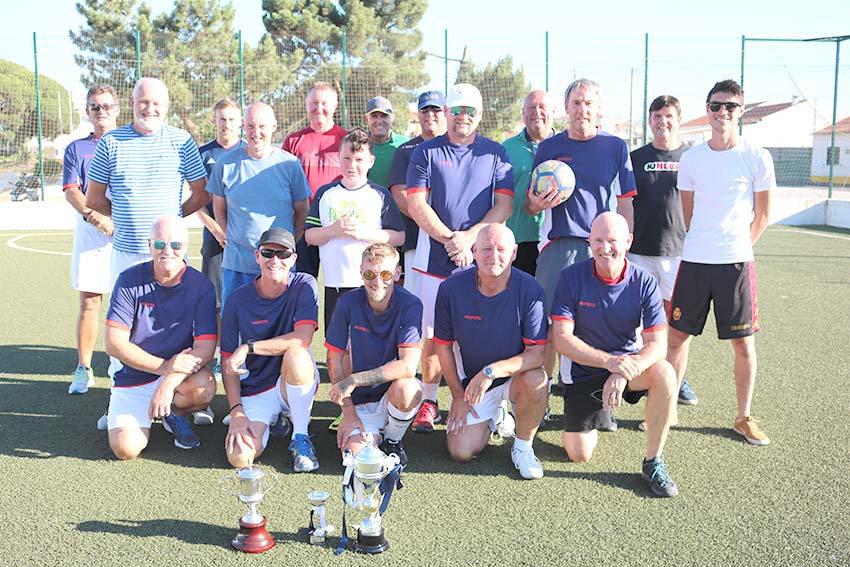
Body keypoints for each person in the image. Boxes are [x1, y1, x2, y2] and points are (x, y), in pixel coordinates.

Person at [523, 78, 636, 428]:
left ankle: (599, 406)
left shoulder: (615, 147)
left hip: (601, 249)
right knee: (548, 328)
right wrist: (535, 202)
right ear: (566, 107)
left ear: (598, 108)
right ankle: (538, 404)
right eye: (575, 103)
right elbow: (529, 205)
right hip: (559, 247)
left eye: (588, 103)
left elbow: (625, 201)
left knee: (597, 329)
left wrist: (624, 242)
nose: (582, 109)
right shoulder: (550, 148)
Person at [667, 79, 775, 446]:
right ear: (708, 109)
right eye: (715, 106)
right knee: (677, 338)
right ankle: (667, 408)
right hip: (695, 261)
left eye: (730, 106)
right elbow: (687, 215)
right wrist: (706, 243)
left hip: (736, 264)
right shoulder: (692, 159)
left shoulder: (757, 156)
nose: (722, 113)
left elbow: (762, 216)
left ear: (741, 111)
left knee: (744, 344)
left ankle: (743, 417)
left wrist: (735, 248)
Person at [405, 83, 514, 433]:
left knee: (486, 332)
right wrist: (451, 239)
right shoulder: (426, 152)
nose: (462, 116)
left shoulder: (497, 153)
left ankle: (495, 404)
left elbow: (505, 205)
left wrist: (470, 238)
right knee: (435, 336)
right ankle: (429, 399)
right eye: (456, 110)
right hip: (434, 258)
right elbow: (416, 203)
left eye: (470, 111)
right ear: (447, 113)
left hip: (483, 258)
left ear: (480, 115)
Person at [550, 212, 679, 497]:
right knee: (579, 454)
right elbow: (561, 339)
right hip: (584, 369)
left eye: (612, 241)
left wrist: (620, 371)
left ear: (628, 242)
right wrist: (609, 363)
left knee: (665, 373)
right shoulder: (571, 277)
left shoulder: (644, 282)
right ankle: (599, 413)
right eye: (598, 240)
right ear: (589, 241)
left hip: (627, 368)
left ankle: (653, 461)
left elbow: (658, 343)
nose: (604, 248)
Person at [434, 224, 548, 480]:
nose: (493, 256)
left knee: (537, 379)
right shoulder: (450, 289)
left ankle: (523, 447)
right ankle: (493, 416)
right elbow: (442, 346)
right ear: (474, 251)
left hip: (512, 377)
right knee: (460, 452)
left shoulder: (531, 290)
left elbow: (536, 355)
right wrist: (457, 395)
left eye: (501, 249)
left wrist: (491, 372)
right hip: (472, 382)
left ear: (515, 253)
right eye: (486, 249)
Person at [104, 216, 217, 459]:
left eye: (176, 245)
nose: (168, 251)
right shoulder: (128, 281)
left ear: (185, 246)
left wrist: (168, 381)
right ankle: (121, 407)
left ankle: (173, 413)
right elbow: (114, 343)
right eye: (160, 245)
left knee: (204, 387)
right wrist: (164, 367)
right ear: (149, 246)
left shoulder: (201, 285)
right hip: (135, 375)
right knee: (125, 449)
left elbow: (206, 348)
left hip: (179, 378)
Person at [85, 77, 209, 286]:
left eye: (156, 103)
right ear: (132, 103)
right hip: (126, 253)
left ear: (167, 106)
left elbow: (202, 193)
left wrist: (173, 216)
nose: (149, 108)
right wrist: (127, 214)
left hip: (171, 253)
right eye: (143, 101)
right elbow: (93, 200)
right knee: (126, 318)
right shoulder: (110, 142)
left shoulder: (183, 141)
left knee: (174, 317)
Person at [221, 228, 322, 472]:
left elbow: (303, 339)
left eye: (283, 254)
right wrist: (236, 411)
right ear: (257, 256)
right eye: (268, 253)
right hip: (256, 388)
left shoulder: (304, 284)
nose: (275, 260)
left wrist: (249, 347)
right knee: (239, 457)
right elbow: (227, 363)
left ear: (294, 259)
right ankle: (276, 419)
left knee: (297, 353)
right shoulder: (237, 299)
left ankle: (300, 436)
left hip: (292, 381)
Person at [628, 95, 697, 408]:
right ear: (650, 121)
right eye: (656, 116)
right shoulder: (634, 157)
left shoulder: (693, 158)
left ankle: (674, 381)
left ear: (678, 119)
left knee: (676, 325)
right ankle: (639, 379)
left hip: (678, 253)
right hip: (639, 252)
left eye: (668, 116)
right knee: (637, 323)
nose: (662, 121)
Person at [206, 102, 312, 308]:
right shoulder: (225, 164)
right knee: (235, 330)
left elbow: (302, 211)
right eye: (251, 126)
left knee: (279, 331)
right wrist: (234, 239)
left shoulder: (289, 165)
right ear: (243, 126)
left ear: (274, 126)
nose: (256, 133)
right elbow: (219, 210)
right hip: (237, 266)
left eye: (262, 126)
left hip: (279, 266)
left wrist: (285, 247)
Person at [326, 244, 423, 466]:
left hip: (391, 395)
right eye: (370, 274)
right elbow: (335, 359)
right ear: (360, 271)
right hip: (360, 402)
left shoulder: (410, 304)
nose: (377, 281)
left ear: (398, 273)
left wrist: (355, 379)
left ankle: (393, 441)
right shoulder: (347, 302)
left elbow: (408, 367)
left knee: (408, 388)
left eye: (386, 274)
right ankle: (371, 436)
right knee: (358, 461)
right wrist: (348, 412)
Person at [304, 128, 404, 331]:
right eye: (347, 158)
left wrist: (363, 233)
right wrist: (333, 230)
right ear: (338, 158)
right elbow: (310, 236)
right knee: (336, 346)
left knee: (370, 341)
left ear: (371, 162)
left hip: (372, 284)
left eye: (359, 159)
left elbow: (399, 237)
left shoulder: (379, 194)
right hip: (335, 284)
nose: (352, 165)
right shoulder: (326, 193)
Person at [388, 91, 447, 434]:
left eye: (436, 110)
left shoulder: (463, 150)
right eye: (425, 111)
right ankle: (424, 397)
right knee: (423, 327)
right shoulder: (408, 150)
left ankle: (479, 401)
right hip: (419, 248)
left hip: (460, 246)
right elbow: (401, 195)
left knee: (459, 325)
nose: (430, 116)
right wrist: (436, 226)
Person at [64, 83, 119, 395]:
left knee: (133, 303)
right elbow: (73, 189)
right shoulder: (77, 149)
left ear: (117, 109)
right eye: (95, 107)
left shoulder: (129, 142)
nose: (102, 111)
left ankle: (131, 367)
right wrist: (94, 216)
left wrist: (118, 219)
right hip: (92, 231)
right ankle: (84, 367)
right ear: (87, 112)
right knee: (90, 302)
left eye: (107, 105)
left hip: (126, 230)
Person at [282, 82, 348, 277]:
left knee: (339, 283)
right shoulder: (293, 141)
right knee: (302, 281)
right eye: (314, 103)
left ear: (335, 106)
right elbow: (284, 185)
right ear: (306, 105)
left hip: (335, 226)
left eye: (325, 103)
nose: (319, 109)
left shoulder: (346, 139)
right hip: (302, 226)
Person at [503, 89, 555, 276]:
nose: (537, 112)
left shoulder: (564, 145)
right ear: (523, 112)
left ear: (553, 111)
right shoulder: (506, 148)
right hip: (519, 239)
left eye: (542, 107)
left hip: (554, 239)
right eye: (531, 107)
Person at [364, 96, 408, 188]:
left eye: (384, 116)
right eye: (374, 116)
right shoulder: (360, 146)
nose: (379, 121)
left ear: (392, 118)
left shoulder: (406, 145)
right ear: (367, 119)